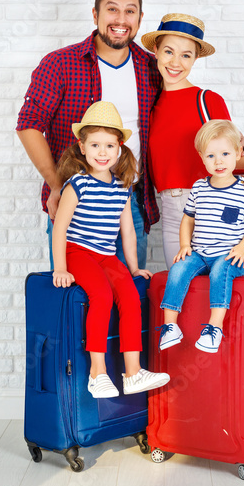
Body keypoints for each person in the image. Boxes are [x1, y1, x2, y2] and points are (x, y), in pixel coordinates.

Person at [16, 0, 160, 270]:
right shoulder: (60, 64)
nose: (121, 19)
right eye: (112, 9)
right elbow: (29, 124)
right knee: (76, 298)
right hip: (76, 202)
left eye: (130, 11)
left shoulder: (151, 68)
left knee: (129, 297)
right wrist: (58, 186)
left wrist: (235, 143)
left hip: (128, 202)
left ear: (140, 18)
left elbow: (180, 112)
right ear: (95, 14)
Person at [51, 101, 169, 398]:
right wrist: (60, 267)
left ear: (120, 148)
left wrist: (132, 267)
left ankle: (133, 373)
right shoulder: (77, 185)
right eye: (95, 145)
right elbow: (60, 229)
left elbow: (127, 230)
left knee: (129, 295)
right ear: (82, 147)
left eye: (109, 145)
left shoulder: (122, 186)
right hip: (78, 252)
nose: (102, 153)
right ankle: (97, 372)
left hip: (105, 254)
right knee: (101, 296)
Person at [141, 13, 244, 269]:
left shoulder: (207, 101)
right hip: (172, 211)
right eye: (168, 51)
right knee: (183, 292)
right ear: (155, 51)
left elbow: (231, 157)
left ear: (195, 58)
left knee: (220, 290)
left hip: (213, 204)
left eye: (186, 55)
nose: (176, 62)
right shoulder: (150, 108)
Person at [156, 120, 244, 354]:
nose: (219, 161)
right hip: (200, 253)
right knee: (179, 268)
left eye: (225, 153)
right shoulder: (199, 188)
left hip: (230, 255)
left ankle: (214, 327)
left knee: (220, 270)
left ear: (237, 153)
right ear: (202, 158)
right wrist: (185, 245)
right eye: (211, 156)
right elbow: (188, 219)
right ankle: (170, 325)